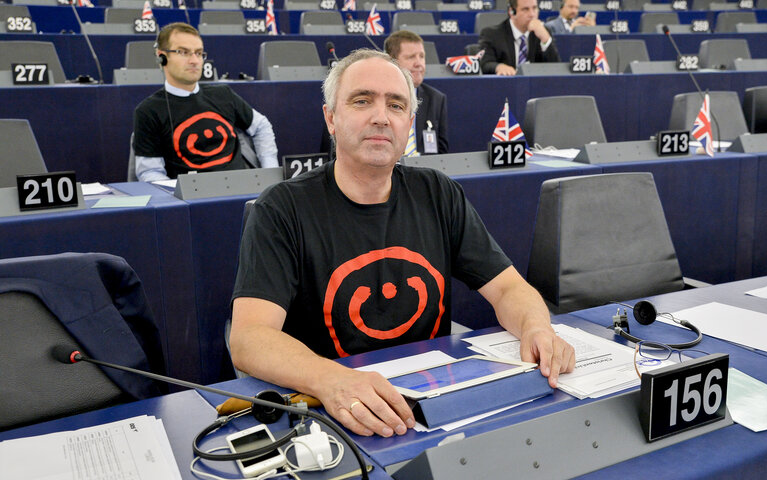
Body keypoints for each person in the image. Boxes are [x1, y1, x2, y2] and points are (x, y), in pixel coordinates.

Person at [229, 49, 575, 438]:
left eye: (396, 105)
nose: (380, 116)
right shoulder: (281, 209)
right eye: (362, 101)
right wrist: (330, 379)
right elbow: (249, 338)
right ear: (330, 117)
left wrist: (537, 328)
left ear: (409, 123)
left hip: (431, 403)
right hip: (333, 409)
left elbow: (508, 287)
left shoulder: (438, 193)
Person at [133, 22, 278, 182]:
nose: (194, 60)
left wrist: (269, 174)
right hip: (191, 200)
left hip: (242, 192)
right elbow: (150, 172)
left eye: (199, 53)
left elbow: (261, 126)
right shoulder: (148, 111)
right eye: (184, 52)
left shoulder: (223, 94)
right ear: (162, 57)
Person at [384, 30, 449, 155]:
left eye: (422, 56)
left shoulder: (436, 99)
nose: (419, 64)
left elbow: (442, 154)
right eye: (411, 57)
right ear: (392, 61)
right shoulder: (378, 98)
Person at [479, 0, 560, 76]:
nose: (532, 14)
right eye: (525, 9)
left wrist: (546, 40)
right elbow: (485, 63)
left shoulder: (542, 32)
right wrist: (498, 67)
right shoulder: (492, 34)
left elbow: (556, 69)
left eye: (534, 8)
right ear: (512, 12)